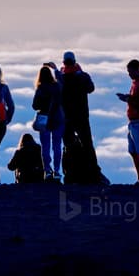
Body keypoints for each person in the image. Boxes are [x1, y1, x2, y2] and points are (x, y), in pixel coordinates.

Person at [52, 51, 101, 179]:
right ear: (74, 61)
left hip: (66, 117)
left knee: (68, 145)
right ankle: (93, 171)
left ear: (64, 62)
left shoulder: (61, 78)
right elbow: (91, 88)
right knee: (87, 144)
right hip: (81, 116)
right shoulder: (82, 76)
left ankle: (70, 172)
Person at [32, 64, 65, 181]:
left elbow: (34, 105)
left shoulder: (40, 89)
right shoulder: (57, 86)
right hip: (58, 119)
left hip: (44, 120)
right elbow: (62, 81)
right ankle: (57, 171)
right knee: (57, 146)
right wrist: (56, 69)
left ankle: (47, 170)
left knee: (45, 146)